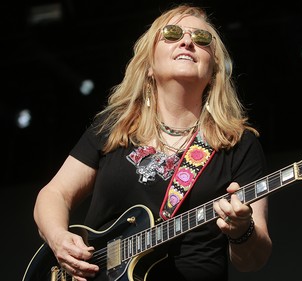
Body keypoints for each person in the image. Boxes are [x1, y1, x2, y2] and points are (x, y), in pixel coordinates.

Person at [32, 3, 272, 281]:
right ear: (148, 66)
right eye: (171, 34)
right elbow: (54, 195)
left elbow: (254, 258)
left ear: (214, 70)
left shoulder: (238, 143)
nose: (187, 41)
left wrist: (242, 230)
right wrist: (59, 238)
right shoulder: (114, 128)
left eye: (202, 38)